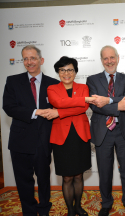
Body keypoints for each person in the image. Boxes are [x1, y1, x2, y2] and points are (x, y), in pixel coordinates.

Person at [2, 45, 59, 216]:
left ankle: (44, 209)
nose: (29, 62)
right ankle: (29, 211)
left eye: (32, 58)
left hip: (44, 141)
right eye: (25, 59)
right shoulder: (13, 81)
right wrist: (36, 112)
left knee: (43, 180)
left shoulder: (54, 83)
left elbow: (60, 110)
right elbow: (9, 107)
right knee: (23, 181)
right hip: (20, 141)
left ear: (41, 60)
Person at [86, 45, 125, 216]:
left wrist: (107, 100)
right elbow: (96, 106)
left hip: (124, 131)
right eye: (105, 58)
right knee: (104, 171)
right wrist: (116, 105)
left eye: (112, 57)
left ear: (118, 58)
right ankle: (106, 203)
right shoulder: (92, 80)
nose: (109, 61)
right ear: (101, 60)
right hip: (103, 132)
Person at [46, 56, 95, 216]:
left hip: (79, 136)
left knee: (79, 175)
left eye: (70, 69)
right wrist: (78, 102)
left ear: (75, 72)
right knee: (67, 177)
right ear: (58, 72)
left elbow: (83, 108)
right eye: (62, 70)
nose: (66, 73)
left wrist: (58, 113)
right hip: (61, 138)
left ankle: (79, 207)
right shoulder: (52, 89)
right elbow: (59, 102)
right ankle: (70, 210)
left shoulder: (83, 87)